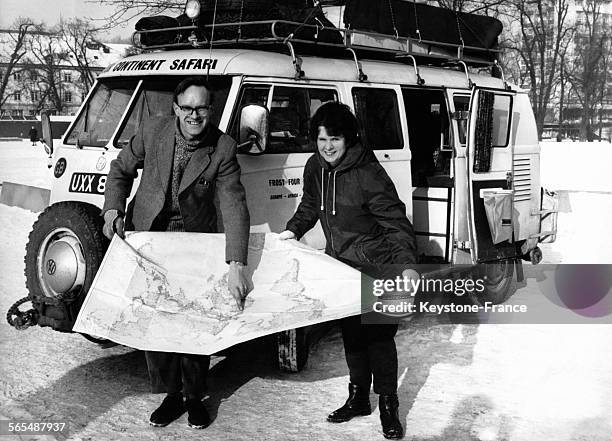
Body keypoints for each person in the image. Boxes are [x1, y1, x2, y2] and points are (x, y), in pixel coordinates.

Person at [102, 77, 250, 429]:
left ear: (210, 110)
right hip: (150, 236)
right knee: (157, 318)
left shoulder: (223, 147)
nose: (194, 115)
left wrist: (237, 263)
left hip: (193, 240)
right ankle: (172, 394)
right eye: (188, 108)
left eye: (202, 108)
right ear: (175, 108)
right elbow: (120, 170)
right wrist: (112, 210)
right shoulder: (153, 130)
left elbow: (234, 206)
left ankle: (195, 396)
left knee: (192, 318)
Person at [279, 102, 417, 440]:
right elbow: (310, 205)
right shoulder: (316, 166)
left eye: (335, 138)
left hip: (379, 267)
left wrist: (408, 267)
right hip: (342, 266)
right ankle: (358, 398)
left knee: (380, 338)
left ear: (349, 137)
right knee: (352, 335)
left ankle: (388, 404)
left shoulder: (368, 173)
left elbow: (396, 223)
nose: (327, 146)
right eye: (321, 138)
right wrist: (292, 229)